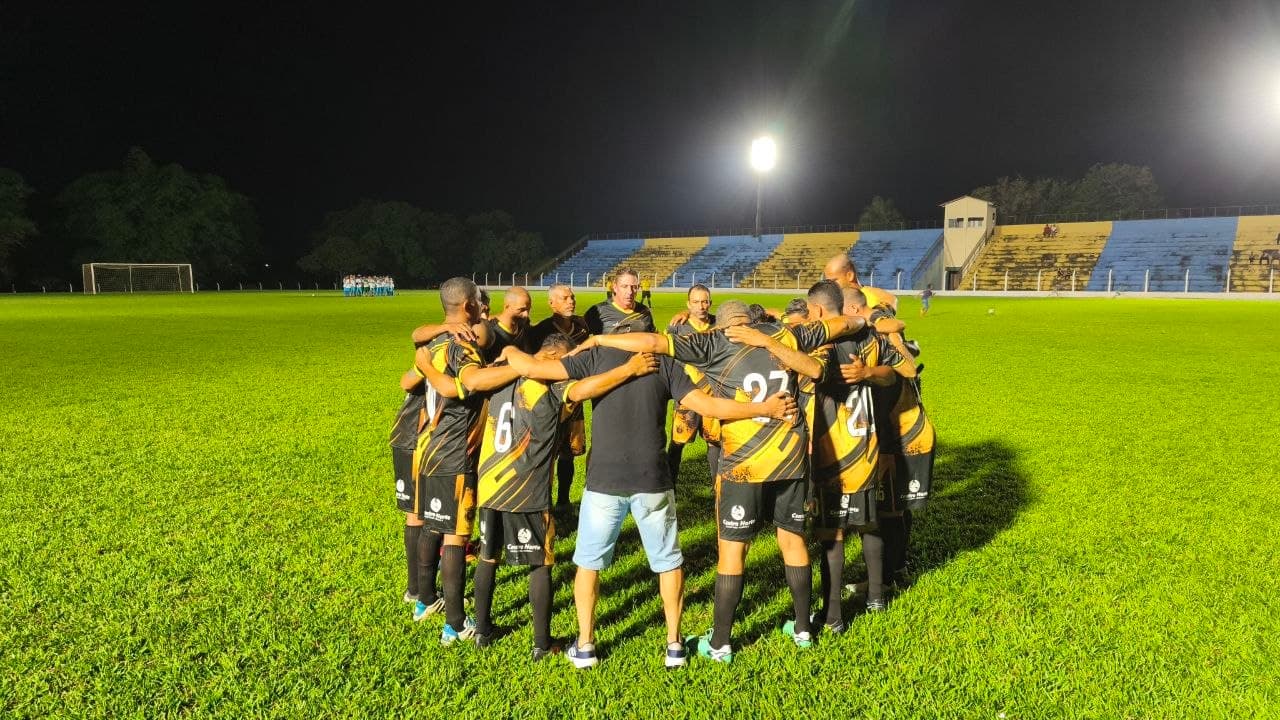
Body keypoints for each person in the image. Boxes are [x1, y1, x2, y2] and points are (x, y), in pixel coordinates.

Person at [580, 299, 877, 662]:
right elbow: (842, 326)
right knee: (793, 542)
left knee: (733, 551)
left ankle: (720, 643)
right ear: (752, 320)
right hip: (791, 458)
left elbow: (654, 343)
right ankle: (802, 629)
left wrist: (601, 341)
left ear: (722, 324)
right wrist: (865, 320)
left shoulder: (713, 342)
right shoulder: (788, 333)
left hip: (743, 464)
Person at [504, 329, 797, 669]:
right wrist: (764, 407)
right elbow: (707, 406)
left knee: (589, 563)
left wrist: (510, 349)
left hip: (603, 481)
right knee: (668, 561)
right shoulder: (666, 363)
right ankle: (674, 645)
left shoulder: (596, 356)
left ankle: (585, 645)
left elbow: (536, 369)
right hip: (653, 479)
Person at [418, 333, 660, 659]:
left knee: (489, 556)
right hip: (526, 491)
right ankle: (542, 643)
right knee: (540, 564)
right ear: (553, 357)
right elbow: (583, 390)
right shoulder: (549, 382)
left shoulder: (501, 378)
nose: (567, 370)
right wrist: (628, 370)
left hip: (491, 487)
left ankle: (484, 631)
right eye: (565, 363)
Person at [409, 277, 520, 644]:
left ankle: (424, 601)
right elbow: (467, 383)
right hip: (456, 450)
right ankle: (455, 625)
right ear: (471, 306)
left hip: (428, 447)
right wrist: (520, 367)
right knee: (456, 536)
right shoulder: (462, 345)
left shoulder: (436, 341)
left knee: (431, 525)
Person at [841, 287, 935, 605]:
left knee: (889, 511)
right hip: (900, 432)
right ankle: (894, 569)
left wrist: (878, 320)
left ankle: (888, 576)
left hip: (900, 436)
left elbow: (904, 369)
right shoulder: (878, 333)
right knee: (894, 508)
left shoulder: (878, 337)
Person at [528, 284, 592, 508]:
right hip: (549, 400)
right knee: (547, 453)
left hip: (575, 399)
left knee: (569, 452)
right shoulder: (541, 331)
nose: (570, 301)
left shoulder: (583, 326)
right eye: (564, 298)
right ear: (551, 303)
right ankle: (542, 503)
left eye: (572, 297)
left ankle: (564, 502)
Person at [666, 284, 718, 481]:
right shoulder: (676, 328)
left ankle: (718, 487)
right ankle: (670, 486)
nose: (701, 306)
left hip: (713, 392)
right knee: (678, 442)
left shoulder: (719, 325)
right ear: (688, 304)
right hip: (687, 394)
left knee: (715, 442)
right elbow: (666, 356)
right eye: (696, 302)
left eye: (705, 301)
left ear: (710, 303)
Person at [585, 268, 655, 335]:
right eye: (624, 286)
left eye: (634, 287)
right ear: (615, 287)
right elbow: (577, 339)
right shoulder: (597, 311)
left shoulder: (644, 312)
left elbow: (653, 339)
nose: (630, 292)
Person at [823, 253, 897, 312]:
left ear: (850, 276)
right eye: (828, 282)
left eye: (833, 281)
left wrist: (877, 315)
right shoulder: (829, 302)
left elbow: (891, 299)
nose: (830, 286)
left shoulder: (874, 296)